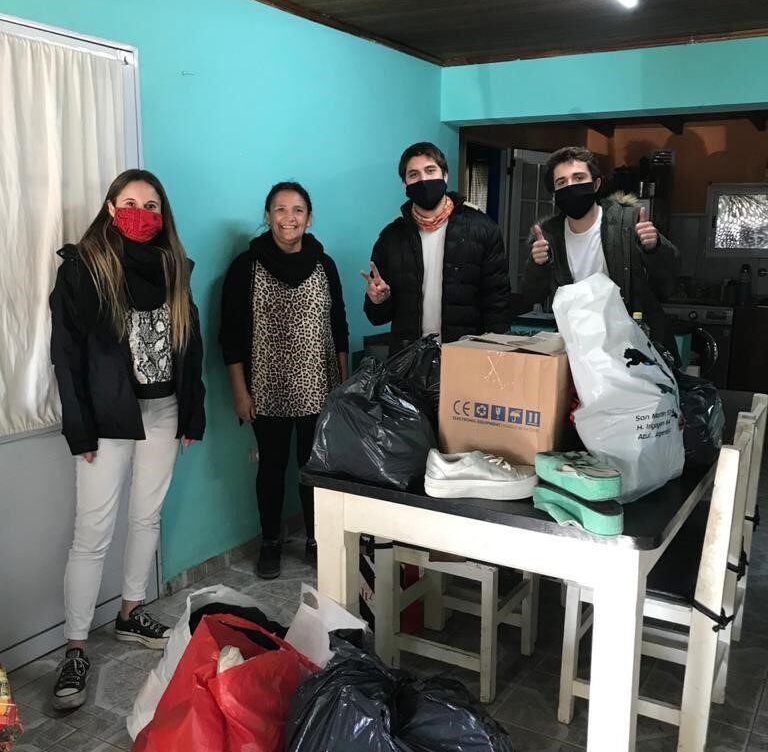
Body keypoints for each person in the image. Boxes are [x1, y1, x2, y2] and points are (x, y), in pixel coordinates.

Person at [49, 170, 206, 710]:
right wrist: (79, 427)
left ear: (163, 216)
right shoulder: (83, 269)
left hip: (163, 411)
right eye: (131, 202)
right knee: (92, 531)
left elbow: (192, 342)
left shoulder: (173, 269)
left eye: (152, 204)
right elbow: (65, 357)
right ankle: (74, 646)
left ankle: (130, 612)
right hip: (106, 417)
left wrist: (193, 411)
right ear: (112, 208)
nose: (142, 211)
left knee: (146, 516)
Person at [220, 182, 349, 580]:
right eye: (279, 209)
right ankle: (271, 542)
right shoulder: (246, 266)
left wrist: (343, 387)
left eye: (297, 210)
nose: (288, 218)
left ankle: (315, 538)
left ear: (309, 218)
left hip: (320, 386)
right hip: (267, 388)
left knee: (314, 469)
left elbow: (339, 327)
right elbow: (231, 334)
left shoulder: (324, 264)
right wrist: (240, 391)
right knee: (272, 469)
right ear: (267, 216)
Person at [522, 146, 680, 349]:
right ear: (554, 193)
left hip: (636, 345)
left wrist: (654, 247)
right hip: (581, 346)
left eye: (579, 178)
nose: (570, 186)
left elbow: (668, 281)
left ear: (596, 184)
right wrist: (538, 264)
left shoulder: (627, 222)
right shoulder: (549, 235)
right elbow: (532, 295)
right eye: (561, 182)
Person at [362, 142, 512, 351]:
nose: (423, 180)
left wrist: (497, 358)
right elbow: (376, 317)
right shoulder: (391, 238)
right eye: (413, 174)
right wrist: (379, 300)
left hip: (466, 357)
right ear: (404, 184)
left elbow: (497, 304)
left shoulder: (482, 229)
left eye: (430, 170)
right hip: (409, 363)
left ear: (445, 175)